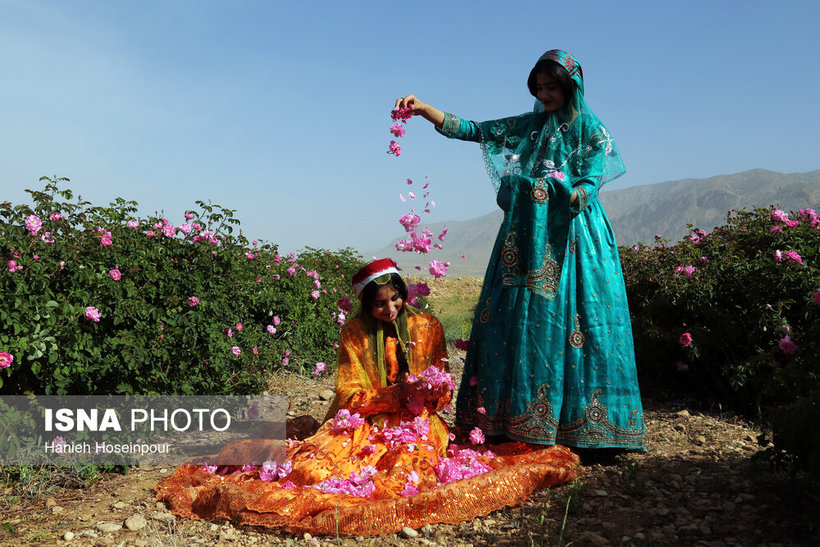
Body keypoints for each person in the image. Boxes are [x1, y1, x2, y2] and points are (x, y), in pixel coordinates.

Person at [156, 258, 581, 536]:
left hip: (418, 423)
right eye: (380, 304)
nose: (391, 309)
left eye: (396, 299)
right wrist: (391, 396)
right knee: (317, 467)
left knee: (407, 467)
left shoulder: (428, 326)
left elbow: (444, 385)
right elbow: (347, 392)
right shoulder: (354, 332)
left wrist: (430, 390)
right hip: (370, 420)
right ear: (365, 305)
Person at [395, 49, 646, 452]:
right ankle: (507, 420)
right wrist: (425, 109)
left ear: (571, 87)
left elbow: (590, 183)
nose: (544, 95)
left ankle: (581, 427)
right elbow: (476, 129)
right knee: (518, 321)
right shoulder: (530, 126)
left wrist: (556, 194)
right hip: (526, 232)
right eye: (539, 88)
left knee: (576, 322)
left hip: (573, 234)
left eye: (552, 88)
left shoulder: (592, 130)